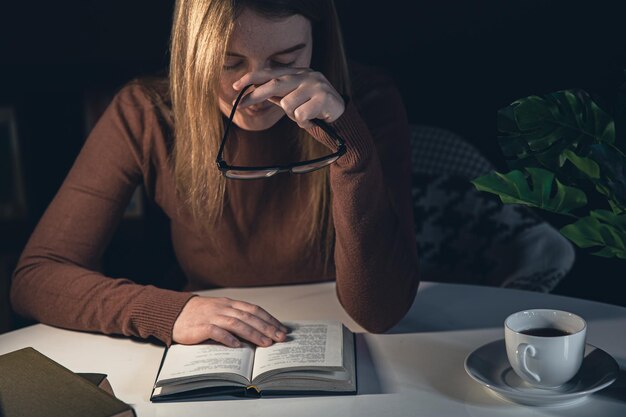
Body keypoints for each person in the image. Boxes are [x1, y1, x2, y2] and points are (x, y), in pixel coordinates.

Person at [10, 0, 419, 348]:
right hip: (215, 348)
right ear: (193, 51)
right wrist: (171, 312)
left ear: (318, 40)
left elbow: (379, 311)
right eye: (227, 62)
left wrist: (351, 148)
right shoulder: (146, 112)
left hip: (347, 343)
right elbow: (36, 277)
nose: (256, 91)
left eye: (285, 60)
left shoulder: (369, 102)